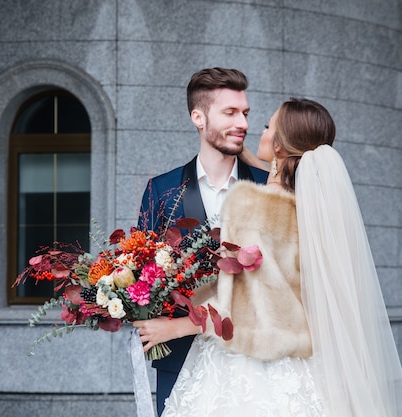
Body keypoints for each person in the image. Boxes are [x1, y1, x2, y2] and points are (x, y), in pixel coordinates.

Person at [136, 98, 402, 416]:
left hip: (244, 365)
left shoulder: (251, 205)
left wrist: (174, 328)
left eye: (268, 126)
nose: (259, 130)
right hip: (295, 363)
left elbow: (235, 302)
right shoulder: (312, 209)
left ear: (280, 147)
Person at [136, 67, 269, 415]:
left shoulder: (269, 188)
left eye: (245, 113)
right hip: (179, 360)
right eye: (230, 112)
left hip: (256, 363)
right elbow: (143, 276)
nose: (242, 123)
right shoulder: (162, 191)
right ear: (198, 117)